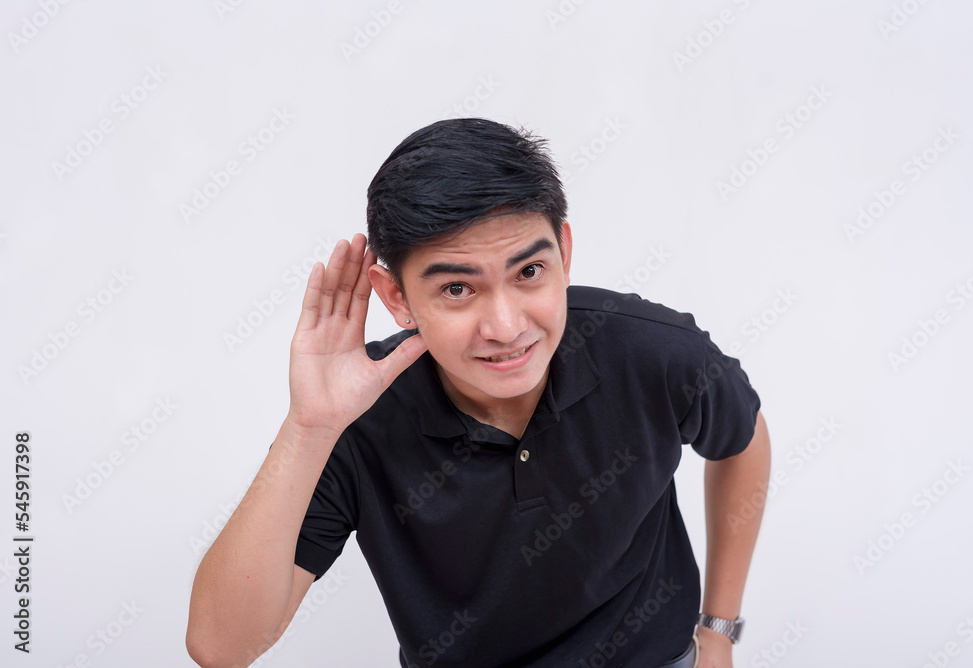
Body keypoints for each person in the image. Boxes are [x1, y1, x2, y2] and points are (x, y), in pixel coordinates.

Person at [186, 118, 771, 668]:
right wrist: (309, 428)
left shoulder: (653, 351)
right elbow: (220, 647)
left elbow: (742, 439)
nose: (506, 326)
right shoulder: (356, 414)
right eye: (459, 288)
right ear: (396, 297)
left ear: (563, 253)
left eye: (529, 273)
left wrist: (718, 630)